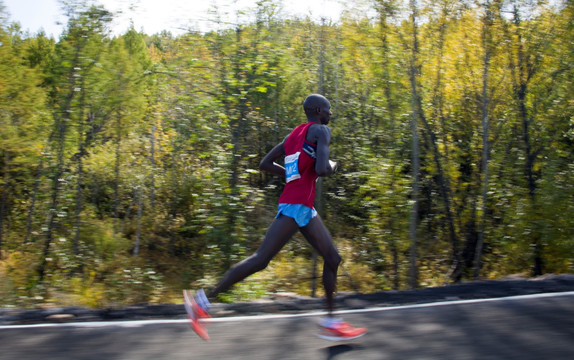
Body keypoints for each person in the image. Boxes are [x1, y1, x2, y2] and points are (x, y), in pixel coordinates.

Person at [184, 94, 366, 341]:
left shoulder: (293, 136)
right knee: (260, 260)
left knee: (333, 258)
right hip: (295, 206)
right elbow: (322, 169)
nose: (330, 113)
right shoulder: (322, 131)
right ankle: (201, 302)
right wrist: (333, 166)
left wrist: (292, 176)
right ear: (317, 110)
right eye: (328, 109)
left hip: (302, 207)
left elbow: (264, 163)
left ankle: (331, 321)